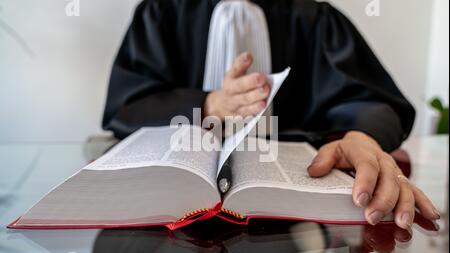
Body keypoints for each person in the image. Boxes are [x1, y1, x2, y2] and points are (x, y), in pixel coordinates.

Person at [102, 0, 440, 230]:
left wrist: (360, 136)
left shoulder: (312, 17)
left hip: (291, 220)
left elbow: (370, 100)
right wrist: (209, 105)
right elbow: (127, 103)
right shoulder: (161, 12)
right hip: (170, 217)